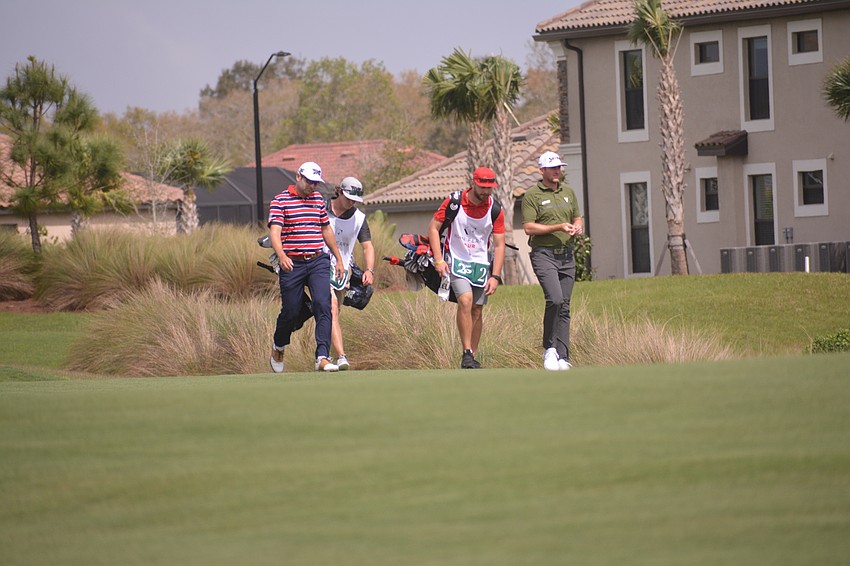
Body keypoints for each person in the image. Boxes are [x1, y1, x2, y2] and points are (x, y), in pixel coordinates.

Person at [268, 161, 345, 373]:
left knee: (323, 304)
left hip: (318, 260)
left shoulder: (318, 200)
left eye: (316, 183)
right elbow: (275, 232)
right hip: (292, 263)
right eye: (310, 181)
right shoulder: (281, 201)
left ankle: (322, 356)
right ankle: (279, 344)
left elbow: (326, 229)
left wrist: (337, 257)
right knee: (291, 311)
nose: (313, 186)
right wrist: (282, 254)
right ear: (299, 177)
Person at [428, 166, 506, 369]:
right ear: (473, 183)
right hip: (456, 260)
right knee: (465, 300)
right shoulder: (454, 202)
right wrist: (438, 260)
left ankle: (473, 355)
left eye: (490, 188)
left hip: (480, 265)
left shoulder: (495, 210)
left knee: (477, 309)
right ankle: (466, 352)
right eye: (482, 187)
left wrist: (495, 276)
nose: (486, 192)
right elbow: (434, 229)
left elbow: (499, 245)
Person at [522, 151, 584, 371]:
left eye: (559, 167)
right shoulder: (532, 195)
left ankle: (563, 357)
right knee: (555, 300)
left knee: (565, 306)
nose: (558, 170)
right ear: (542, 170)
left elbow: (577, 216)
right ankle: (549, 349)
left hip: (567, 254)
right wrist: (558, 227)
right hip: (544, 254)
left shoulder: (568, 192)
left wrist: (577, 226)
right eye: (553, 167)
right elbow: (529, 227)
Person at [325, 176, 376, 371]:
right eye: (348, 198)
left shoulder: (359, 219)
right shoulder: (321, 208)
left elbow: (367, 247)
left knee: (333, 313)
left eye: (355, 199)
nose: (351, 202)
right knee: (331, 307)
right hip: (319, 266)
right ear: (339, 191)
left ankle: (323, 354)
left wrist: (369, 270)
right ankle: (341, 356)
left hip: (342, 271)